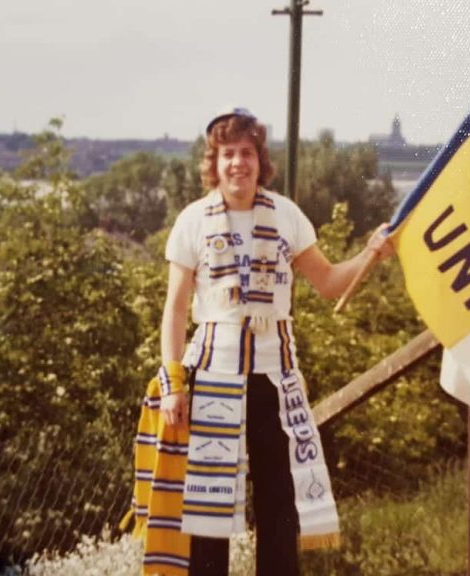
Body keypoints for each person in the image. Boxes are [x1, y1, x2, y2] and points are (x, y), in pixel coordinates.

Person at [155, 107, 393, 576]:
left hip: (274, 375)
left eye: (246, 153)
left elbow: (328, 283)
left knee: (280, 498)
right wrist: (173, 383)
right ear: (214, 161)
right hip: (212, 374)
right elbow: (176, 310)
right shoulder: (193, 220)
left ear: (260, 160)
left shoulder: (286, 215)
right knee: (209, 500)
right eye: (227, 154)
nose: (237, 164)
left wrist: (370, 253)